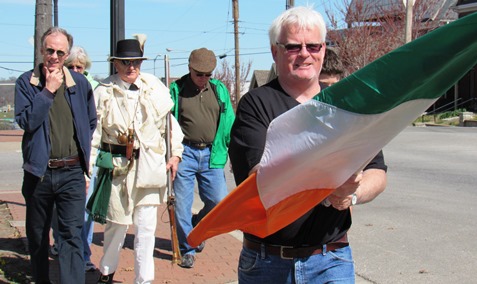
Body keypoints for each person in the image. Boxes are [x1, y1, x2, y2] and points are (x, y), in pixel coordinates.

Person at [228, 6, 387, 283]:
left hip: (331, 259)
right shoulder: (255, 105)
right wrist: (327, 186)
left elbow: (377, 172)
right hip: (267, 262)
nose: (305, 53)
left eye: (313, 46)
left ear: (323, 50)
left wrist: (351, 194)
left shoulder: (347, 107)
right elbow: (259, 179)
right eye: (293, 47)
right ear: (275, 52)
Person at [91, 37, 184, 284]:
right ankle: (107, 272)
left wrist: (175, 154)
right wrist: (88, 170)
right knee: (116, 226)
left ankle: (144, 280)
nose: (131, 67)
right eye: (125, 62)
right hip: (118, 169)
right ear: (116, 64)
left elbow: (170, 127)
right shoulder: (103, 92)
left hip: (149, 169)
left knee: (146, 230)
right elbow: (94, 134)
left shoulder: (155, 88)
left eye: (136, 62)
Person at [14, 26, 97, 284]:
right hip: (39, 173)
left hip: (71, 172)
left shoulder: (80, 83)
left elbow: (90, 122)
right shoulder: (26, 83)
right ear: (41, 50)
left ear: (67, 54)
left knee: (72, 236)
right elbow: (28, 121)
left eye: (60, 52)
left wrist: (81, 158)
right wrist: (48, 91)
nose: (54, 56)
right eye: (50, 50)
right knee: (38, 237)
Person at [169, 47, 235, 268]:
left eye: (208, 75)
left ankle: (197, 224)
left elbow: (229, 124)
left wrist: (233, 152)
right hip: (184, 154)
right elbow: (166, 123)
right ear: (190, 69)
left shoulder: (219, 90)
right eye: (199, 74)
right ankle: (188, 248)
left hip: (211, 154)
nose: (203, 79)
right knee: (181, 205)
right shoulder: (176, 90)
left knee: (218, 202)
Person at [49, 45, 100, 272]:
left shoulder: (94, 87)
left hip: (87, 157)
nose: (76, 69)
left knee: (85, 210)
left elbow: (94, 123)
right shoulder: (57, 84)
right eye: (72, 66)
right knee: (59, 210)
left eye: (80, 66)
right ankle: (61, 243)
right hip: (61, 158)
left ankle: (84, 253)